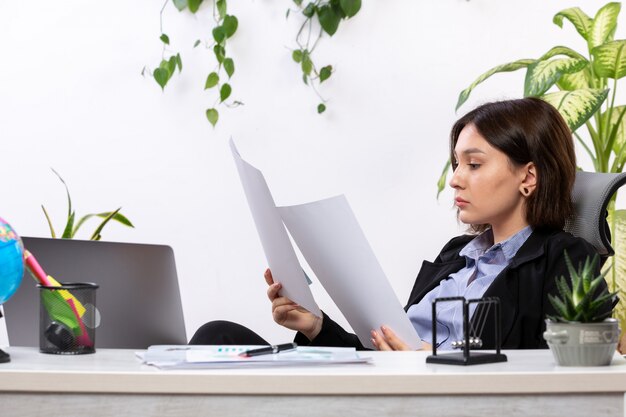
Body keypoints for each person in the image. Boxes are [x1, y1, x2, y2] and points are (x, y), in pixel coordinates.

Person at [190, 97, 607, 350]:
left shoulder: (566, 261)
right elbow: (380, 352)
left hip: (432, 403)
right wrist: (316, 326)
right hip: (383, 389)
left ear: (528, 177)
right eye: (456, 164)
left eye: (474, 164)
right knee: (217, 337)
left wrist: (432, 365)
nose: (457, 178)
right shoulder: (454, 257)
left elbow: (551, 371)